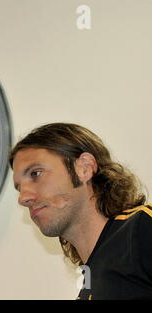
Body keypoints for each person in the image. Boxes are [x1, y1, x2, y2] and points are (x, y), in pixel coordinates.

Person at [9, 123, 152, 300]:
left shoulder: (142, 226)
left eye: (36, 174)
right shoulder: (88, 287)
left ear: (84, 168)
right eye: (19, 188)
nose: (23, 198)